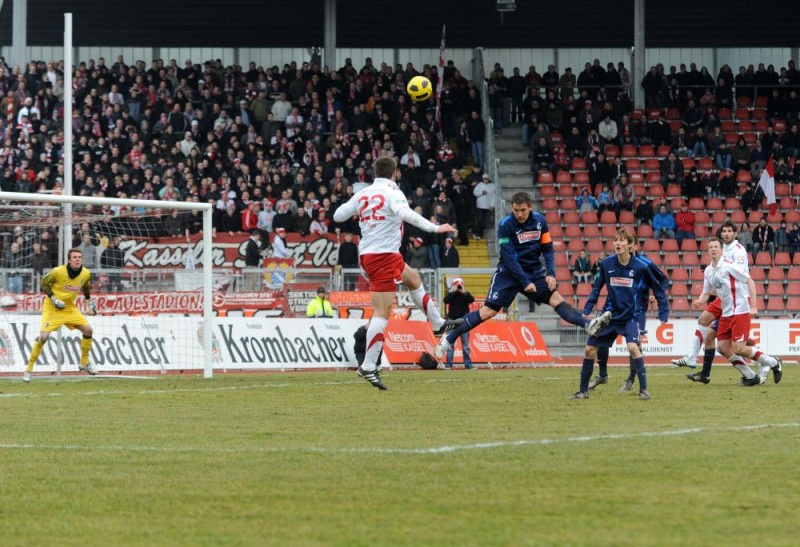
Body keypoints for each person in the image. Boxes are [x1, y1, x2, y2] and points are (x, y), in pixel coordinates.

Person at [434, 192, 612, 362]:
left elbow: (548, 249)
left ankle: (588, 325)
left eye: (523, 210)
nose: (519, 214)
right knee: (488, 312)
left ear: (530, 207)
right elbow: (509, 257)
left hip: (533, 272)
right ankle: (449, 337)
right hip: (508, 274)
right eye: (516, 210)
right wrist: (524, 281)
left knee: (557, 298)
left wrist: (550, 273)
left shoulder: (540, 222)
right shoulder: (505, 225)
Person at [332, 156, 461, 390]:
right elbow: (407, 214)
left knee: (413, 279)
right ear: (394, 174)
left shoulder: (364, 194)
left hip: (377, 254)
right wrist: (435, 227)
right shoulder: (393, 192)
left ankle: (437, 322)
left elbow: (338, 215)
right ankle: (369, 365)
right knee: (382, 311)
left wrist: (360, 210)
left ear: (375, 173)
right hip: (382, 256)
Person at [573, 229, 669, 400]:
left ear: (630, 245)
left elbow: (659, 285)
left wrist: (663, 311)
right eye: (615, 240)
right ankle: (583, 391)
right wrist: (586, 310)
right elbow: (597, 288)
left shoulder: (642, 266)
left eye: (622, 240)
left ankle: (643, 389)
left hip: (632, 316)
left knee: (633, 347)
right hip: (610, 315)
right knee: (589, 350)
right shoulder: (606, 264)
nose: (617, 243)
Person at [672, 221, 759, 379]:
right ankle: (699, 366)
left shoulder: (738, 251)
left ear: (735, 234)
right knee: (708, 329)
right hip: (724, 296)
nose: (725, 233)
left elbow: (739, 275)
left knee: (732, 344)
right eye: (723, 231)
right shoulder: (722, 249)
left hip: (736, 296)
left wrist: (720, 282)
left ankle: (763, 362)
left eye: (729, 231)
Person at [691, 237, 782, 386]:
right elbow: (706, 292)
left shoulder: (729, 266)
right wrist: (700, 301)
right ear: (708, 250)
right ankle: (750, 376)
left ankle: (773, 362)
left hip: (740, 311)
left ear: (721, 250)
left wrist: (754, 306)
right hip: (726, 313)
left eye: (716, 247)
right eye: (711, 247)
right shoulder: (708, 270)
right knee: (722, 347)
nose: (713, 249)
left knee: (738, 348)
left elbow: (749, 281)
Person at [23, 249, 98, 383]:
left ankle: (84, 363)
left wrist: (89, 305)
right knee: (43, 338)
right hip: (52, 308)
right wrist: (53, 298)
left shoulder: (86, 273)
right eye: (74, 257)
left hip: (69, 308)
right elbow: (43, 282)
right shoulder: (58, 271)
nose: (77, 259)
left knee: (88, 330)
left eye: (79, 257)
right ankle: (28, 370)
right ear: (69, 260)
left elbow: (86, 289)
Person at [442, 277, 475, 370]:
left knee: (465, 346)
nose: (459, 286)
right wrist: (454, 291)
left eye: (461, 284)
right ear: (454, 285)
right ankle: (448, 365)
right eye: (458, 284)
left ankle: (468, 365)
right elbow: (446, 300)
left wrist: (463, 292)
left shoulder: (465, 294)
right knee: (450, 345)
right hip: (452, 322)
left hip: (464, 323)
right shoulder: (451, 294)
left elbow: (471, 299)